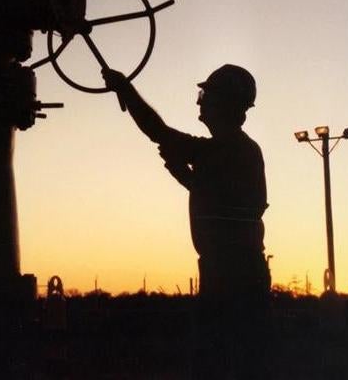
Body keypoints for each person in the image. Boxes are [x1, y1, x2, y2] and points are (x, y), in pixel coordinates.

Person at [102, 64, 270, 379]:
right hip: (235, 274)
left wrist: (125, 90)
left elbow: (159, 132)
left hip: (230, 278)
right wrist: (189, 179)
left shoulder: (228, 148)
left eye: (206, 95)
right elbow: (231, 205)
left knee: (220, 364)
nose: (199, 102)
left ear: (225, 104)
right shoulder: (238, 151)